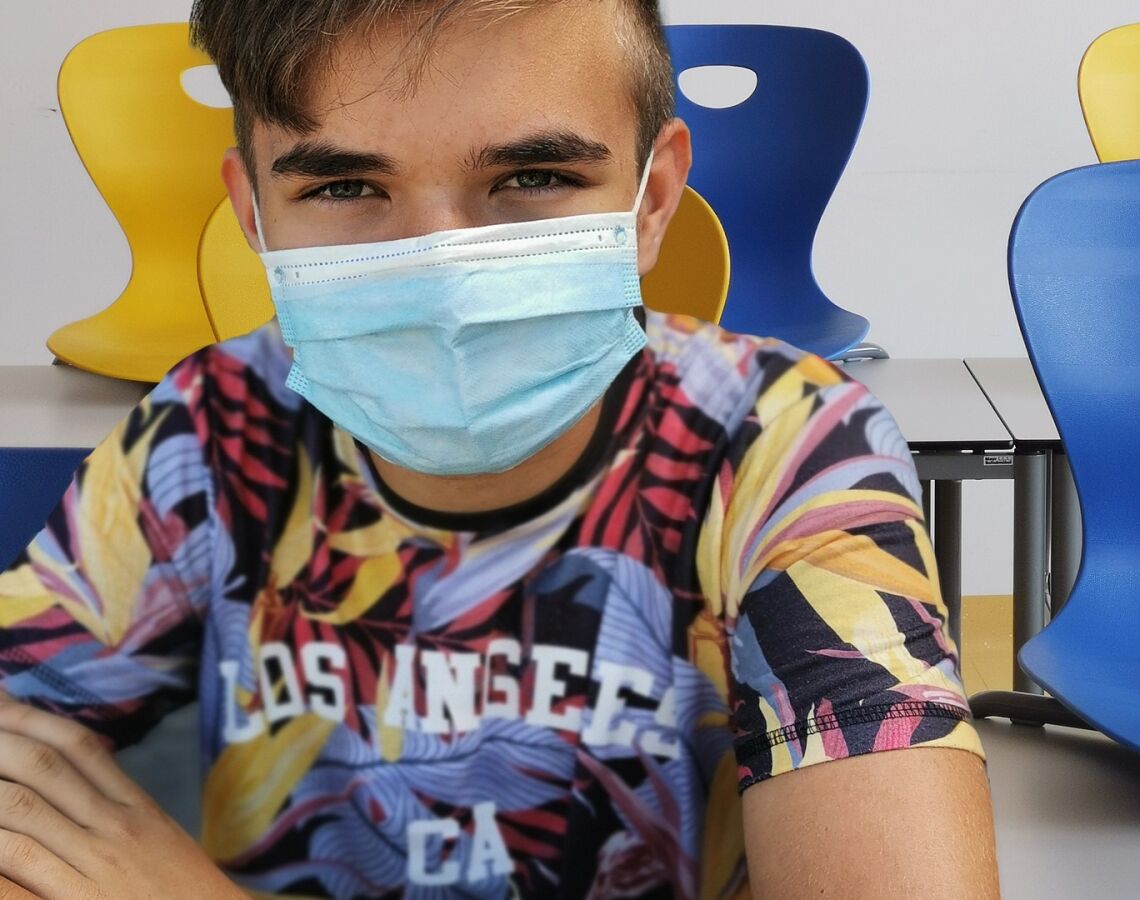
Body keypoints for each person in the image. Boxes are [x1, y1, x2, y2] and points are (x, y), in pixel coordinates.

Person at [0, 1, 999, 897]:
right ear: (254, 215)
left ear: (652, 200)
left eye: (534, 176)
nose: (444, 273)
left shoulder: (784, 445)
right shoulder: (211, 428)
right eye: (345, 185)